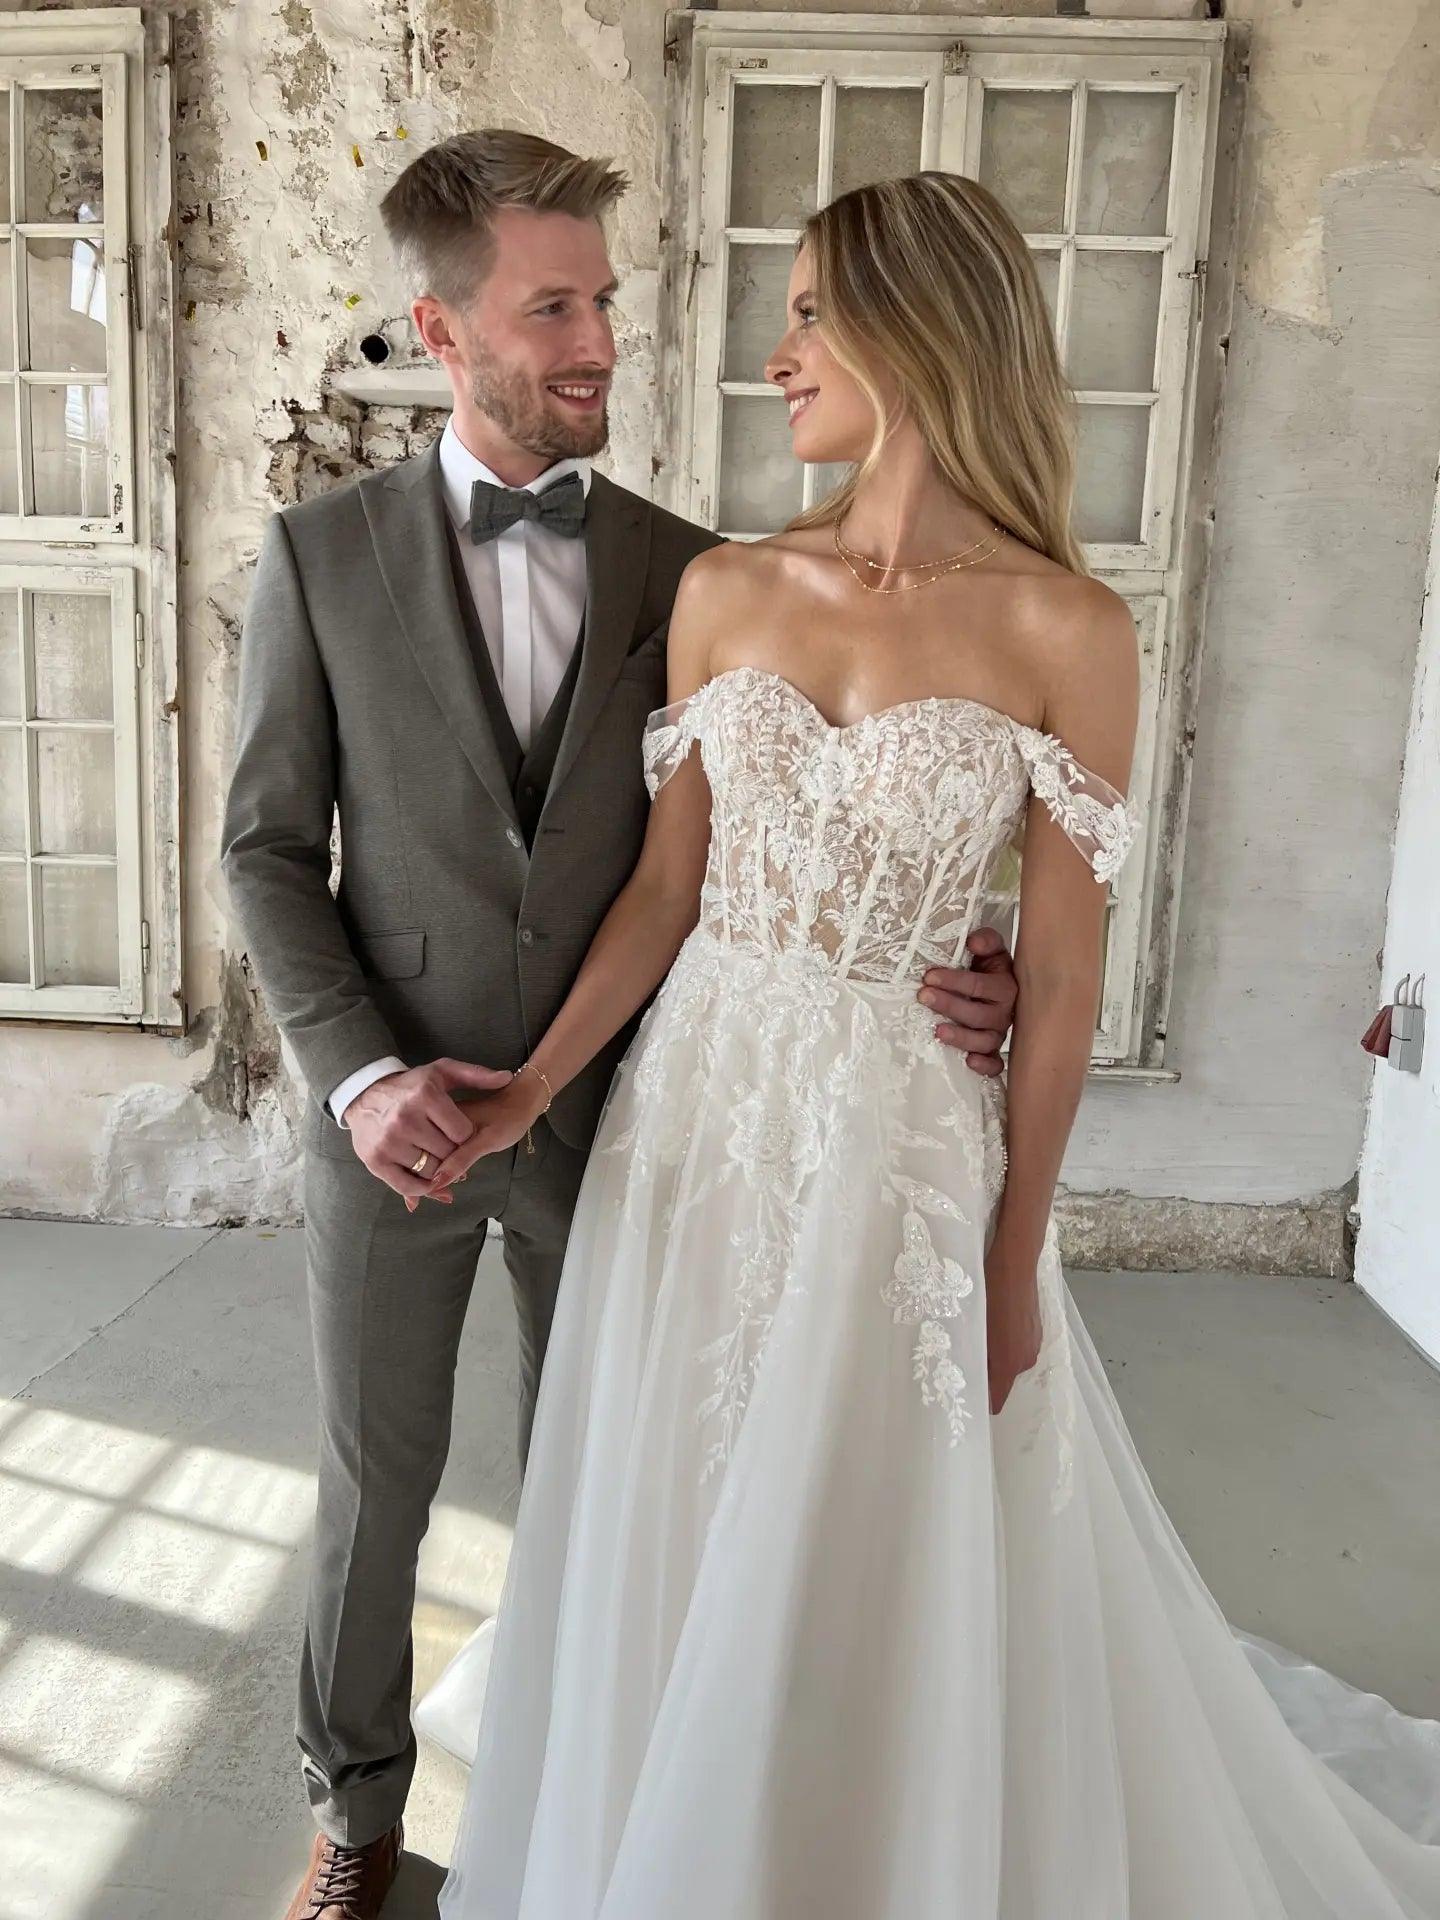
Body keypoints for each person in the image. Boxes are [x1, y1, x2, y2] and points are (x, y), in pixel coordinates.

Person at [425, 171, 1440, 1918]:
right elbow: (668, 891)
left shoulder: (1069, 629)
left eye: (812, 313)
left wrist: (1017, 1253)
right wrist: (533, 1085)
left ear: (920, 328)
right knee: (689, 1483)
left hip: (896, 1142)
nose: (776, 356)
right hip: (699, 1115)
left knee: (869, 1517)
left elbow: (1062, 983)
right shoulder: (729, 588)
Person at [219, 131, 1016, 1920]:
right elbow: (263, 852)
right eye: (552, 309)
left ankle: (607, 1798)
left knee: (629, 1478)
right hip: (399, 1117)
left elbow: (822, 820)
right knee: (373, 1490)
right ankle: (356, 1816)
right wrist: (359, 1079)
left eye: (605, 300)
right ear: (442, 329)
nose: (600, 342)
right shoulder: (319, 557)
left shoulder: (698, 567)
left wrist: (978, 953)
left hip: (641, 1113)